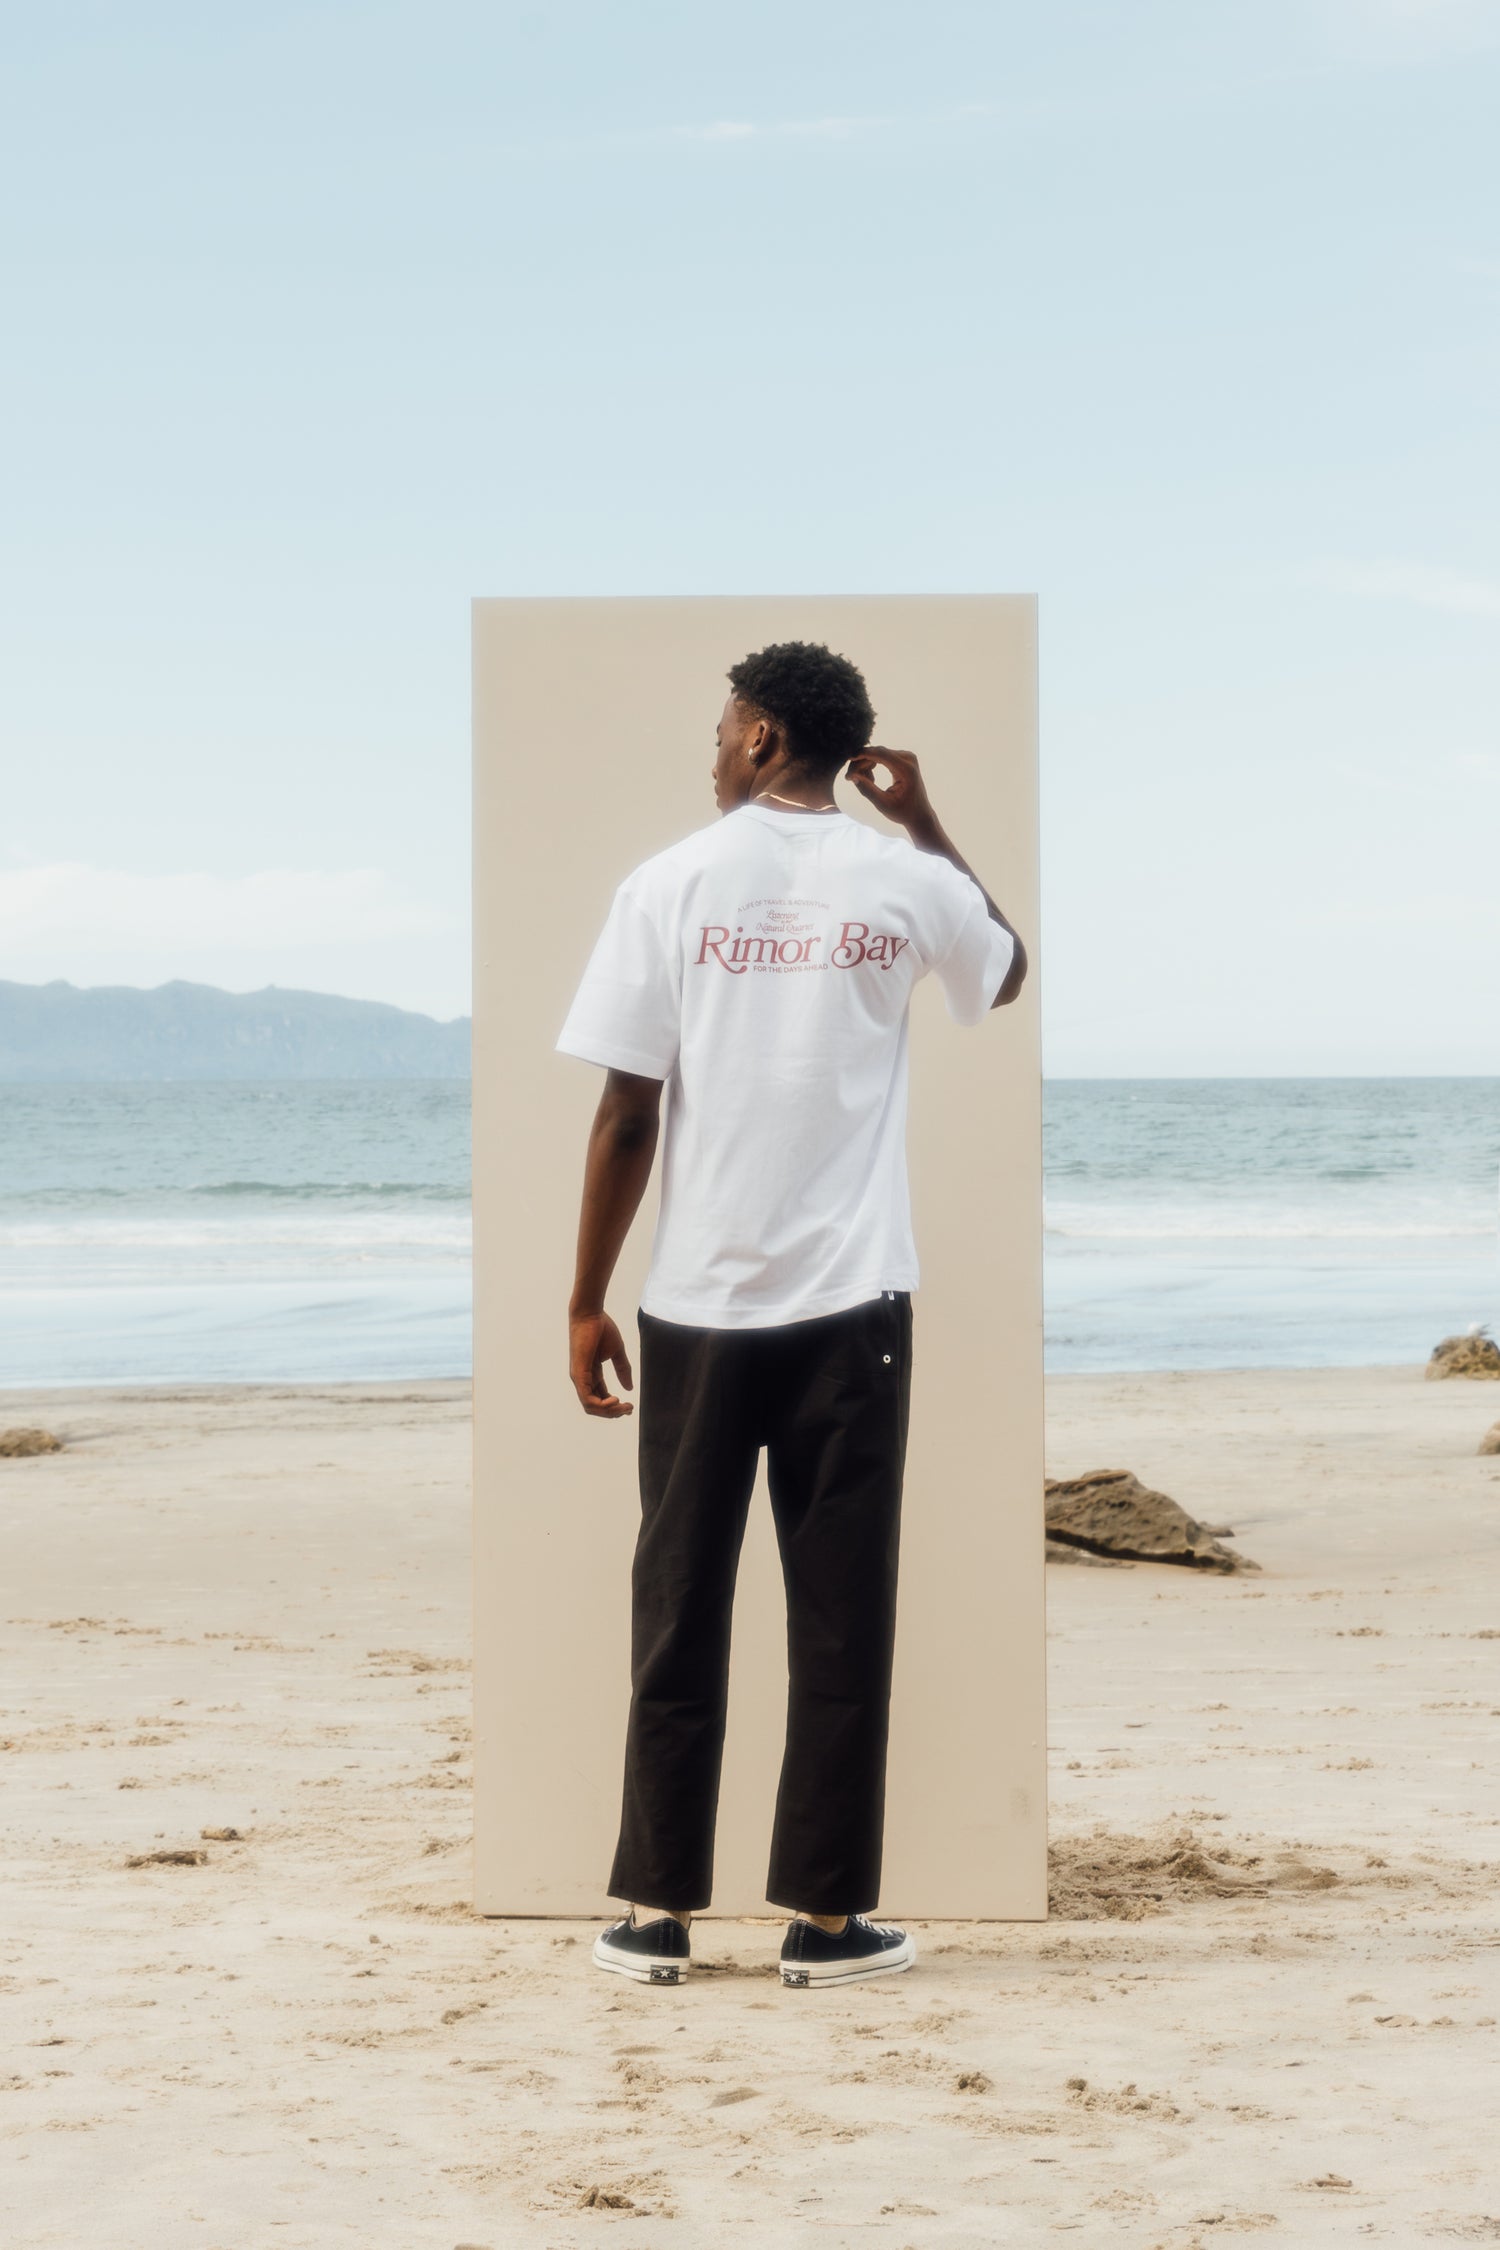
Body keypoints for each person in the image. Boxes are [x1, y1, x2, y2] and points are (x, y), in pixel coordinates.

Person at [557, 639, 1027, 1989]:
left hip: (698, 1306)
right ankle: (824, 1926)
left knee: (678, 1601)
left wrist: (584, 1297)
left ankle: (655, 1913)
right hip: (853, 1313)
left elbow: (626, 1106)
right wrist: (927, 822)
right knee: (840, 1617)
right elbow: (1002, 974)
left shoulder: (668, 881)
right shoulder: (906, 880)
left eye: (722, 728)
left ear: (764, 735)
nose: (712, 749)